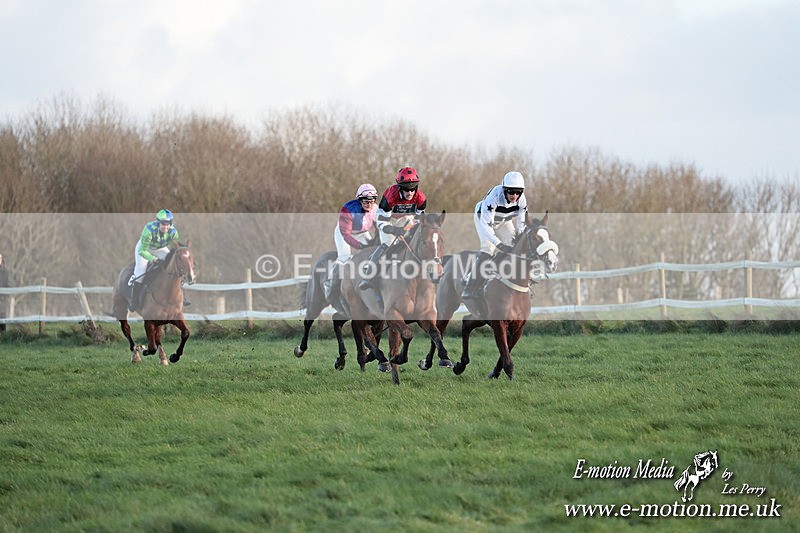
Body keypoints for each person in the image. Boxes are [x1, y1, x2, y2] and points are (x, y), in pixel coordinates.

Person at [461, 171, 528, 300]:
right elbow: (486, 225)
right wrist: (499, 244)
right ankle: (470, 284)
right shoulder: (494, 197)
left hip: (504, 222)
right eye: (511, 191)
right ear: (504, 189)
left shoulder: (522, 200)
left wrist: (519, 241)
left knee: (515, 248)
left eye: (518, 192)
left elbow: (521, 224)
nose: (514, 195)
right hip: (484, 221)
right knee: (488, 249)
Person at [358, 167, 428, 290]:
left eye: (413, 189)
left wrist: (410, 229)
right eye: (406, 189)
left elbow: (418, 220)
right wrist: (394, 230)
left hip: (406, 219)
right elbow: (382, 222)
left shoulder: (421, 198)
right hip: (386, 220)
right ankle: (368, 274)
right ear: (400, 187)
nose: (410, 192)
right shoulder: (391, 196)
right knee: (388, 243)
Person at [323, 183, 380, 302]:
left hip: (362, 232)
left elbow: (379, 228)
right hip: (344, 233)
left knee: (374, 252)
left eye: (372, 201)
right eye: (366, 201)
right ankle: (330, 284)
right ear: (359, 200)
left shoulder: (376, 209)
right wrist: (359, 245)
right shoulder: (348, 210)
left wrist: (376, 241)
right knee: (344, 257)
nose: (369, 204)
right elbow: (347, 235)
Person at [128, 209, 185, 311]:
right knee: (141, 272)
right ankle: (134, 301)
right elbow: (142, 251)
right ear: (158, 223)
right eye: (163, 224)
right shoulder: (149, 230)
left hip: (159, 248)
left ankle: (180, 296)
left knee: (173, 264)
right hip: (145, 248)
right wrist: (153, 259)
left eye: (168, 224)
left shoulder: (173, 232)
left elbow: (174, 246)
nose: (166, 227)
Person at [0, 254, 10, 332]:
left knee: (2, 319)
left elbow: (9, 285)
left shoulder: (6, 271)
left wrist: (4, 295)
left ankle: (3, 335)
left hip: (2, 300)